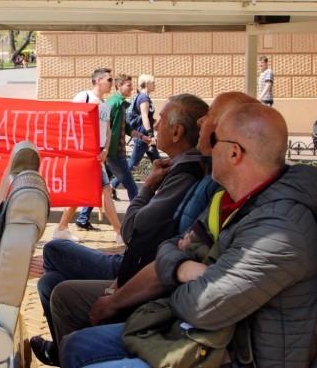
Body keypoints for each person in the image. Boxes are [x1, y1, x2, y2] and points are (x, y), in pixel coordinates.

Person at [60, 103, 317, 368]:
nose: (206, 150)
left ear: (234, 152)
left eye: (214, 140)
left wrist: (175, 274)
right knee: (77, 345)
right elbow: (170, 247)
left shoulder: (280, 230)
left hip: (228, 353)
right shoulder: (234, 200)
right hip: (201, 339)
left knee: (84, 350)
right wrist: (183, 268)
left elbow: (202, 305)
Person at [31, 94, 209, 366]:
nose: (155, 124)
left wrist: (148, 186)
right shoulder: (183, 169)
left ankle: (72, 351)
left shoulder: (184, 173)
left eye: (161, 120)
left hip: (138, 272)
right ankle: (65, 350)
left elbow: (130, 230)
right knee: (49, 281)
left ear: (177, 132)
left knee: (55, 253)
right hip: (140, 264)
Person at [53, 68, 122, 241]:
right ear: (98, 80)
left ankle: (61, 228)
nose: (111, 83)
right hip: (85, 153)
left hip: (98, 154)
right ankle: (119, 233)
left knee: (92, 191)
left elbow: (107, 130)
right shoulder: (83, 97)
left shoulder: (105, 104)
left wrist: (105, 150)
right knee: (105, 191)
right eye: (109, 80)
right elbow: (70, 121)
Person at [106, 74, 146, 202]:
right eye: (129, 85)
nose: (131, 88)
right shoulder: (115, 104)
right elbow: (109, 131)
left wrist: (141, 136)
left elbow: (126, 127)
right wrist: (108, 152)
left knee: (102, 185)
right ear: (119, 86)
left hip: (112, 152)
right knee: (132, 186)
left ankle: (84, 214)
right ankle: (136, 212)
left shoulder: (120, 103)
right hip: (115, 153)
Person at [127, 74, 159, 170]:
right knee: (131, 165)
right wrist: (151, 135)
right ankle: (113, 180)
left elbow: (145, 116)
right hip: (143, 136)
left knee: (158, 163)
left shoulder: (140, 96)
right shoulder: (144, 98)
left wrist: (154, 122)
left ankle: (164, 178)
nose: (155, 85)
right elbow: (144, 116)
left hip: (145, 135)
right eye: (153, 83)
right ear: (147, 84)